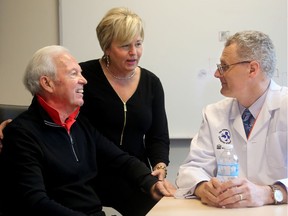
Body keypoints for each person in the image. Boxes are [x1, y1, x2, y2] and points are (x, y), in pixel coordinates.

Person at [0, 7, 171, 215]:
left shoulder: (80, 125)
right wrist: (13, 127)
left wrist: (151, 180)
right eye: (74, 74)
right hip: (93, 184)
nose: (84, 80)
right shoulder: (25, 134)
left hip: (126, 178)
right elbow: (35, 200)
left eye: (138, 44)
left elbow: (122, 156)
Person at [175, 30, 287, 208]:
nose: (217, 74)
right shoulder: (214, 114)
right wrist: (203, 187)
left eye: (224, 67)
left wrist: (269, 193)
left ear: (252, 69)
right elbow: (191, 169)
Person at [78, 7, 170, 215]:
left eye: (138, 44)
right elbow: (51, 109)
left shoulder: (151, 83)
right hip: (89, 173)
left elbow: (158, 135)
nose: (134, 52)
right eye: (125, 46)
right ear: (107, 47)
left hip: (135, 175)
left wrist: (160, 166)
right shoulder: (83, 76)